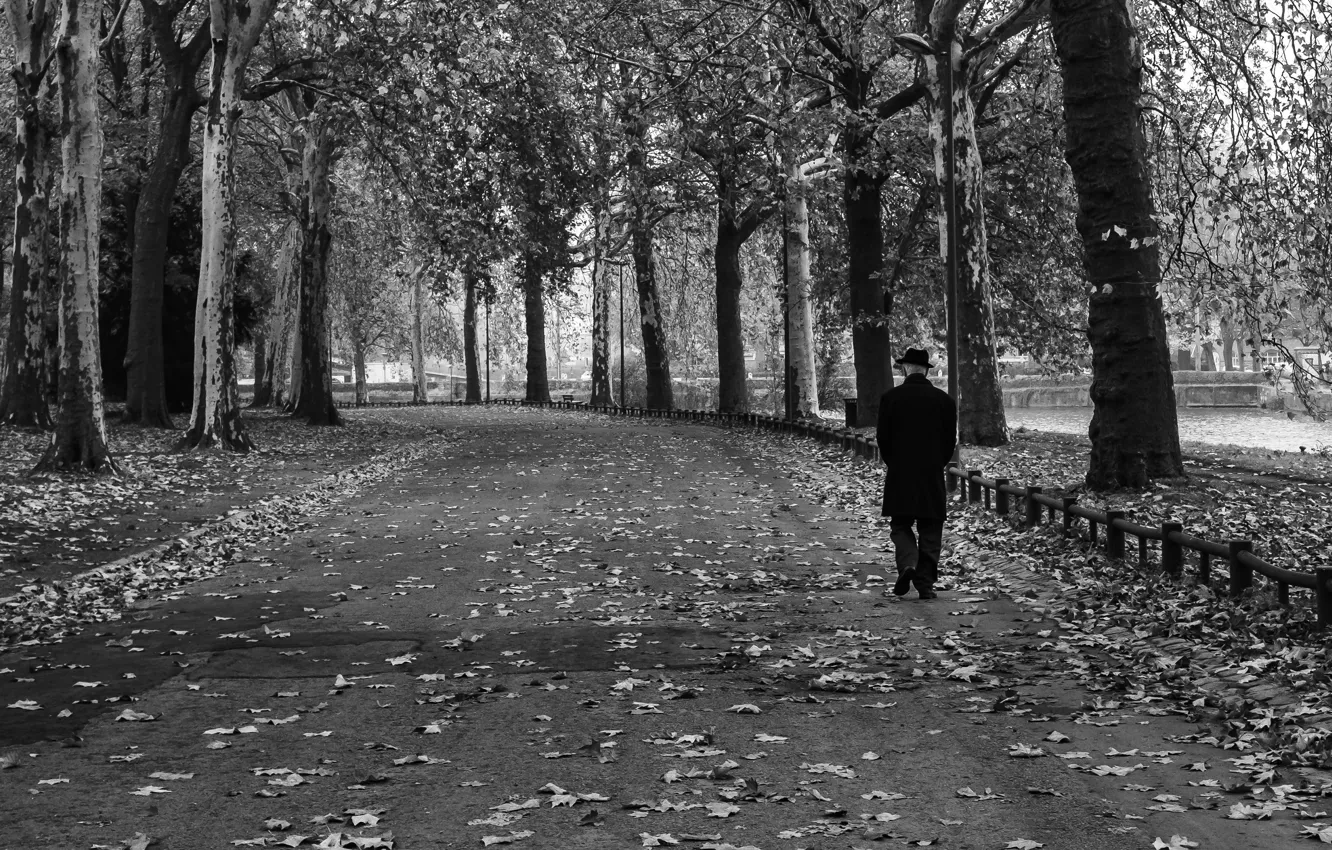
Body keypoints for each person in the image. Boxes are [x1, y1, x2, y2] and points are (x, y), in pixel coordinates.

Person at [876, 347, 958, 600]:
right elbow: (949, 442)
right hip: (931, 473)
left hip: (901, 472)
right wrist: (936, 463)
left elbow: (883, 439)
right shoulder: (945, 401)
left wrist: (895, 463)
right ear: (925, 370)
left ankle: (908, 562)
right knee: (931, 529)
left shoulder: (890, 398)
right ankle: (926, 585)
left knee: (900, 525)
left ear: (904, 368)